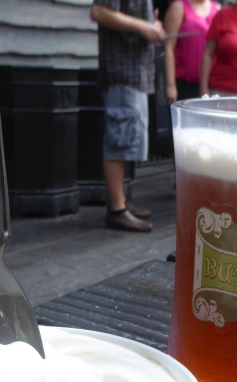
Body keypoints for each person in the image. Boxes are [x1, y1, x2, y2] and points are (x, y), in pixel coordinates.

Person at [90, 1, 166, 233]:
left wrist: (153, 25)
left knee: (127, 138)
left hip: (137, 72)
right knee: (120, 138)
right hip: (123, 72)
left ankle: (121, 201)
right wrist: (144, 26)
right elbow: (99, 11)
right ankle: (117, 210)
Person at [164, 0, 220, 103]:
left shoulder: (217, 9)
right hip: (184, 83)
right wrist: (170, 85)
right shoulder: (179, 7)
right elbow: (169, 48)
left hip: (212, 84)